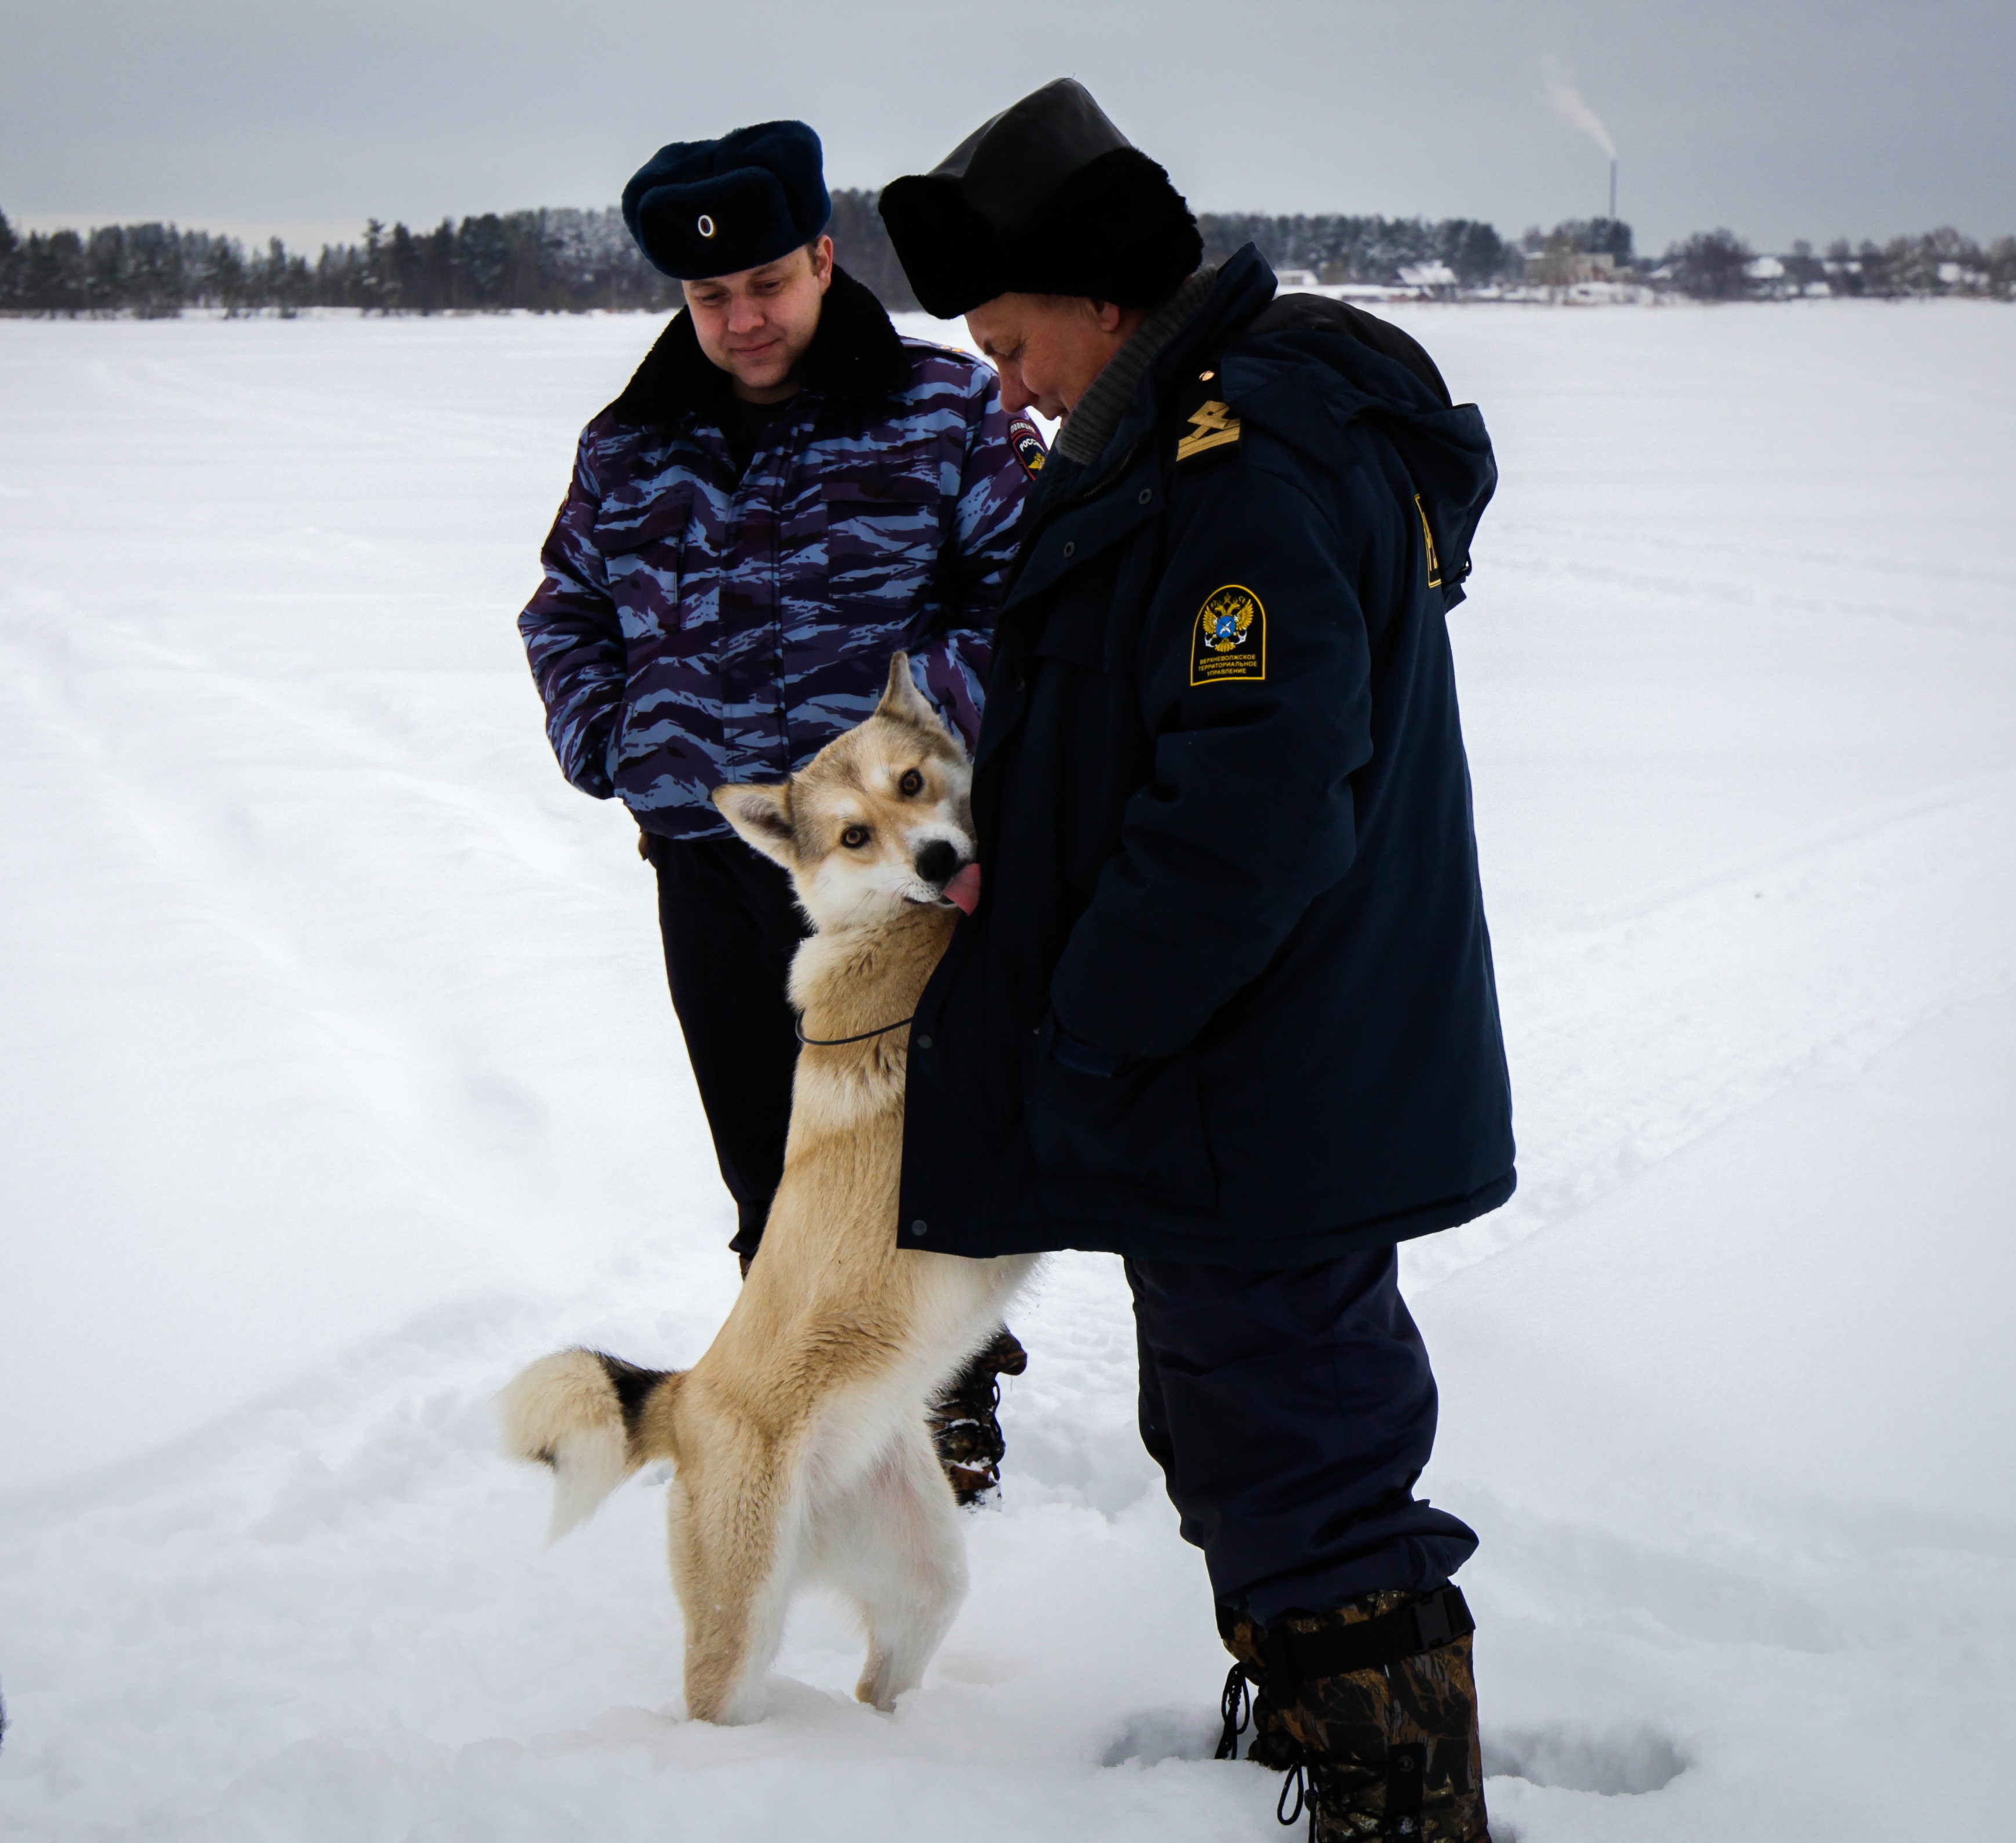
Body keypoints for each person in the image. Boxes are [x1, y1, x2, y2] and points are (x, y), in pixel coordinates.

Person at [880, 81, 1513, 1838]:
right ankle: (1325, 1715)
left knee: (1298, 1433)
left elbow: (1249, 813)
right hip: (1243, 1066)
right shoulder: (1191, 446)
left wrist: (1088, 1024)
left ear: (1099, 299)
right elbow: (1169, 751)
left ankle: (1397, 1792)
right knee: (1244, 1416)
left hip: (1258, 1068)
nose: (1007, 383)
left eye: (1013, 340)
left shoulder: (1245, 469)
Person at [518, 120, 1039, 1499]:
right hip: (710, 861)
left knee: (907, 1155)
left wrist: (913, 739)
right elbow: (564, 606)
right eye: (707, 299)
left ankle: (944, 1401)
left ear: (823, 257)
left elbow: (1020, 598)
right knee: (772, 1158)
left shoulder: (941, 412)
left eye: (765, 284)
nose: (740, 321)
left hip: (890, 882)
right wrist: (613, 737)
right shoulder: (630, 445)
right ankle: (808, 1396)